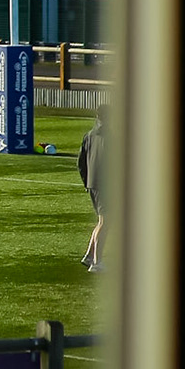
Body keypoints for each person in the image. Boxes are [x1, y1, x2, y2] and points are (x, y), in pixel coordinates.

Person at [79, 105, 107, 271]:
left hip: (92, 184)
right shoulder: (110, 136)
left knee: (102, 221)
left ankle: (90, 256)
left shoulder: (89, 135)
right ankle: (97, 263)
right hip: (105, 185)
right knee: (106, 222)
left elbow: (80, 163)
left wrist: (86, 182)